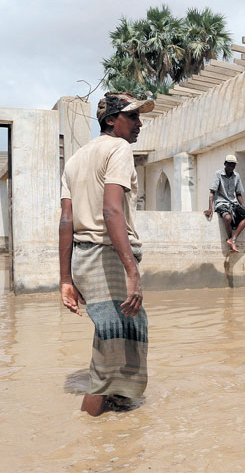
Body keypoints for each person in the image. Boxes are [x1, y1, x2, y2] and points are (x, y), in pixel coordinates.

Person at [59, 92, 153, 416]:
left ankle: (118, 423)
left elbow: (66, 221)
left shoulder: (74, 160)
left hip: (84, 260)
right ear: (111, 119)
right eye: (133, 116)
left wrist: (66, 280)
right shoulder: (119, 149)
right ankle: (90, 431)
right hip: (107, 257)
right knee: (109, 352)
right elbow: (112, 211)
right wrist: (132, 272)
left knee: (120, 336)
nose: (140, 123)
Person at [203, 154, 245, 252]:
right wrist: (210, 208)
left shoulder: (236, 176)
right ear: (225, 164)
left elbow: (238, 193)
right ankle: (231, 241)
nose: (231, 167)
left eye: (233, 165)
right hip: (221, 203)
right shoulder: (218, 174)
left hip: (233, 203)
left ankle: (232, 239)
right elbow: (212, 192)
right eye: (229, 164)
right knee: (227, 218)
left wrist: (243, 207)